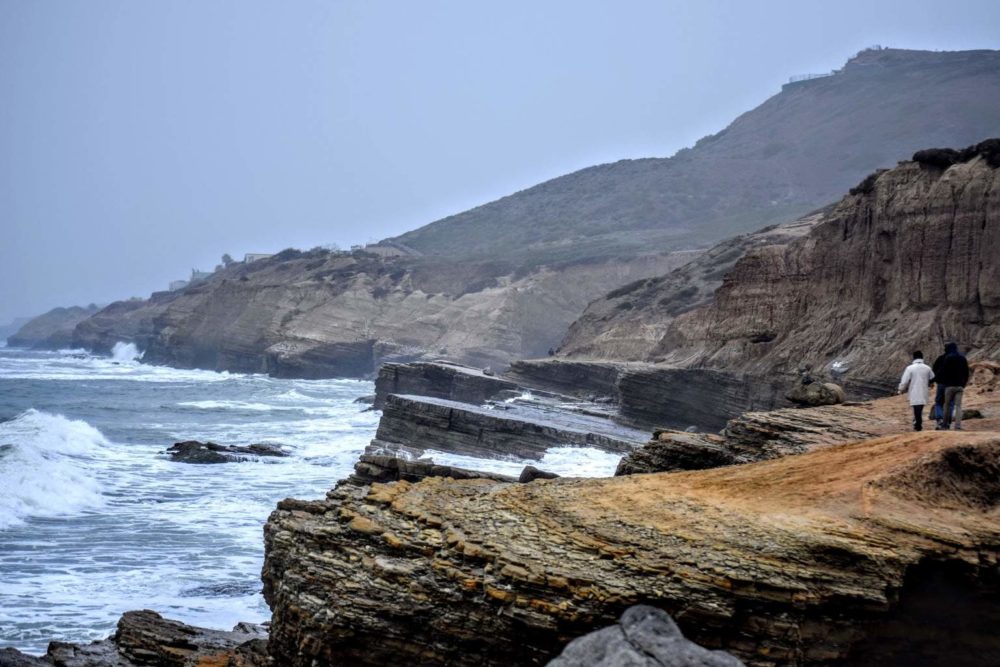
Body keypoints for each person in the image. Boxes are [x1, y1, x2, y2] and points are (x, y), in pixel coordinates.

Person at [936, 341, 970, 430]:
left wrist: (937, 380)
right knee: (958, 406)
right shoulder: (963, 358)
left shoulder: (948, 358)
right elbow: (966, 373)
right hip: (959, 386)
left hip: (949, 386)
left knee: (946, 405)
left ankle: (944, 425)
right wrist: (963, 384)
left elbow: (942, 371)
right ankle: (958, 426)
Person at [899, 351, 934, 431]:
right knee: (920, 407)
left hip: (914, 390)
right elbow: (932, 378)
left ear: (914, 358)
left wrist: (900, 389)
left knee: (916, 407)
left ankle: (918, 423)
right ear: (922, 357)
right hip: (923, 390)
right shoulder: (927, 368)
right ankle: (917, 422)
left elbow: (904, 381)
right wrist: (930, 384)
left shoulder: (910, 368)